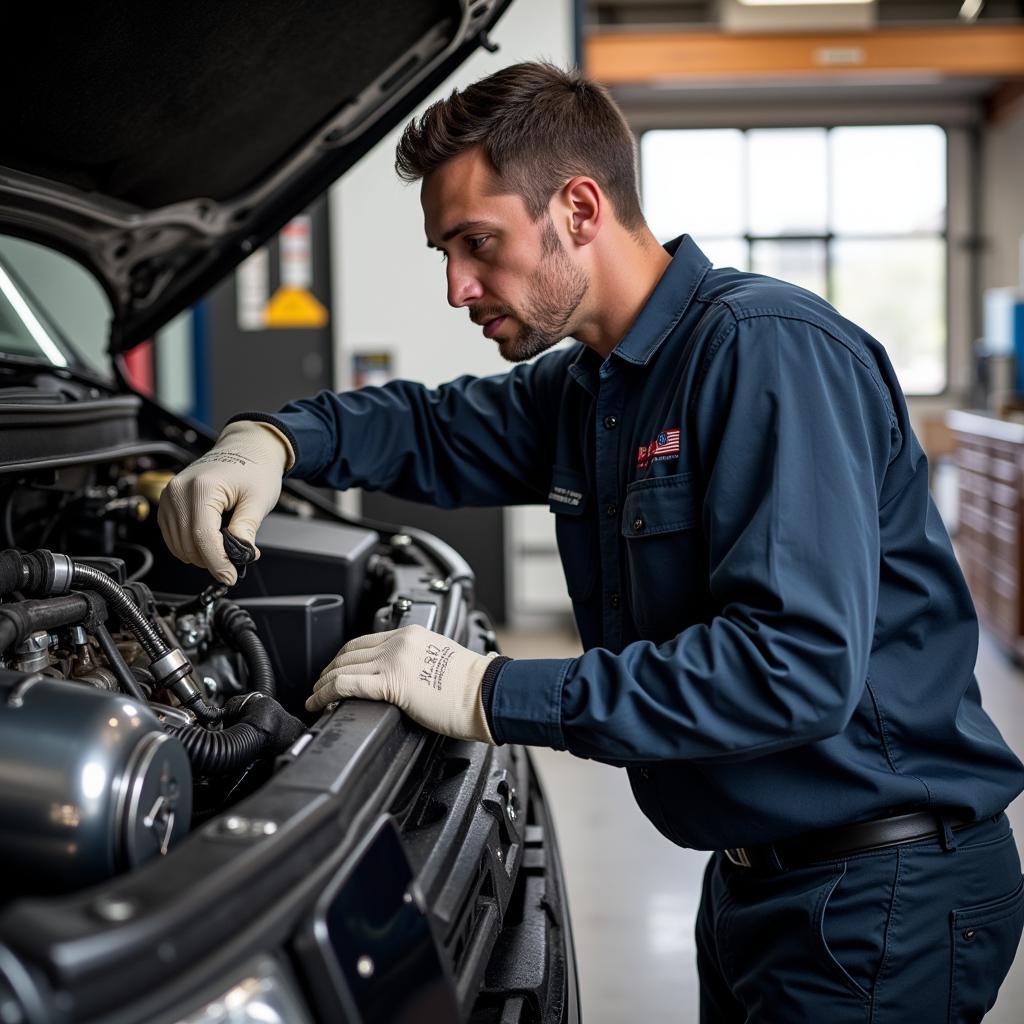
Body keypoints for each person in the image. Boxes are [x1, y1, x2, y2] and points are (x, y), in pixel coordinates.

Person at [158, 62, 1024, 1021]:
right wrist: (272, 440)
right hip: (755, 879)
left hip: (878, 893)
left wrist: (489, 690)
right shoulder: (593, 388)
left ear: (578, 207)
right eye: (445, 254)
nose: (457, 286)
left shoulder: (766, 350)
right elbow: (430, 429)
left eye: (476, 244)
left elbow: (794, 667)